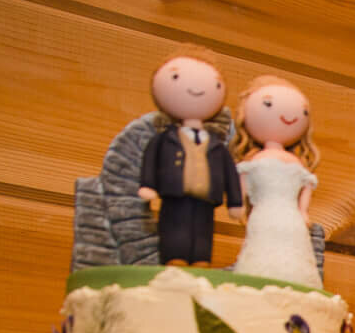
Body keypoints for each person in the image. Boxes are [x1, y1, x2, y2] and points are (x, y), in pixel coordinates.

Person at [137, 54, 243, 267]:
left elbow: (230, 173)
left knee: (203, 230)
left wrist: (235, 202)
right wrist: (148, 185)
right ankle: (174, 258)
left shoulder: (215, 144)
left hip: (206, 199)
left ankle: (201, 259)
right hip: (174, 195)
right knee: (174, 226)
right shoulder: (165, 139)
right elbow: (150, 159)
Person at [230, 76, 323, 289]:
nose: (289, 115)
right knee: (261, 245)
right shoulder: (255, 161)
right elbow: (243, 183)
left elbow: (307, 185)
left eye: (302, 111)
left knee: (295, 249)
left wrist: (303, 211)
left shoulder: (297, 164)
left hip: (292, 217)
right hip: (264, 212)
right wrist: (240, 204)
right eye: (268, 104)